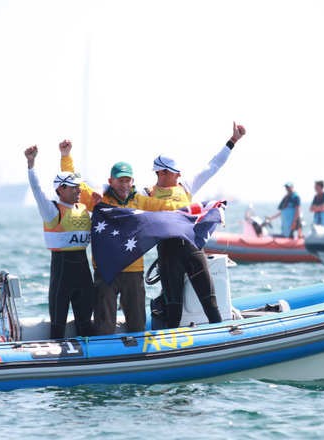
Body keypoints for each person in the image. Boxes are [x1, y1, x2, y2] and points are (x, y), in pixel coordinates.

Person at [59, 140, 175, 335]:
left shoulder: (141, 201)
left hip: (134, 270)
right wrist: (66, 156)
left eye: (127, 180)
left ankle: (139, 360)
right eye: (119, 180)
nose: (124, 184)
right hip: (106, 271)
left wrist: (194, 210)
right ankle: (103, 358)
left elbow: (165, 208)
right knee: (104, 327)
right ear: (110, 181)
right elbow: (75, 183)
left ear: (132, 182)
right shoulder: (99, 199)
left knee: (137, 325)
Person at [145, 121, 246, 329]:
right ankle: (171, 355)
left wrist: (232, 141)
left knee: (210, 304)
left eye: (165, 172)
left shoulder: (186, 186)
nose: (161, 176)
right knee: (174, 311)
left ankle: (222, 344)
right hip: (168, 255)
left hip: (192, 251)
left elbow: (213, 166)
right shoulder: (147, 193)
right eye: (159, 173)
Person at [24, 145, 95, 339]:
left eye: (79, 186)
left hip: (83, 271)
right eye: (74, 187)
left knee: (85, 325)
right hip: (62, 271)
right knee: (58, 327)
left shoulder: (84, 208)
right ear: (61, 189)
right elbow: (37, 190)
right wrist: (31, 165)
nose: (79, 190)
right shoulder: (51, 210)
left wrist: (65, 156)